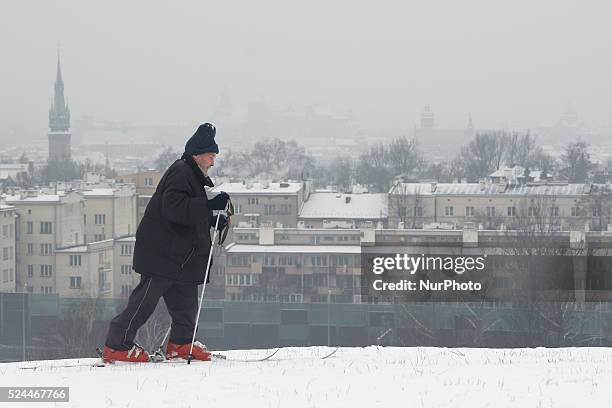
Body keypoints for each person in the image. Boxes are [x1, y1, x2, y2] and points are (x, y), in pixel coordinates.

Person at [102, 123, 230, 363]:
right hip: (162, 256)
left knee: (186, 307)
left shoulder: (191, 175)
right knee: (143, 304)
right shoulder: (182, 172)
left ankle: (180, 345)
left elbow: (187, 214)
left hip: (181, 259)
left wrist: (214, 219)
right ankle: (117, 346)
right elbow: (173, 209)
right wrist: (209, 206)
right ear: (198, 155)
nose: (213, 161)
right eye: (211, 156)